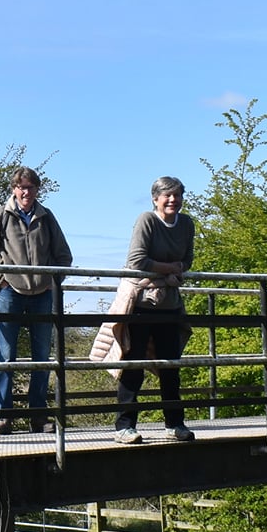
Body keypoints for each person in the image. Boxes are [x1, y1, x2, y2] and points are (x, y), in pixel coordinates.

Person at [0, 166, 74, 434]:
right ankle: (4, 415)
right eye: (21, 187)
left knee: (42, 358)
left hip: (42, 295)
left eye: (30, 187)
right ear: (13, 189)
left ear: (37, 189)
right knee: (6, 356)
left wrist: (50, 282)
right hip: (10, 294)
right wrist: (1, 281)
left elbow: (64, 256)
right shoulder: (1, 216)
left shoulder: (47, 216)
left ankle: (38, 417)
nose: (25, 191)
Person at [115, 175, 196, 444]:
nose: (173, 200)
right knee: (134, 364)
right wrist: (170, 270)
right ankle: (124, 426)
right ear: (155, 199)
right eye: (167, 195)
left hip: (170, 304)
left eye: (177, 195)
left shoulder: (186, 224)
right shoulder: (147, 220)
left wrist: (175, 270)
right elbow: (136, 261)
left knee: (170, 366)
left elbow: (187, 259)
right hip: (141, 303)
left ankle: (175, 424)